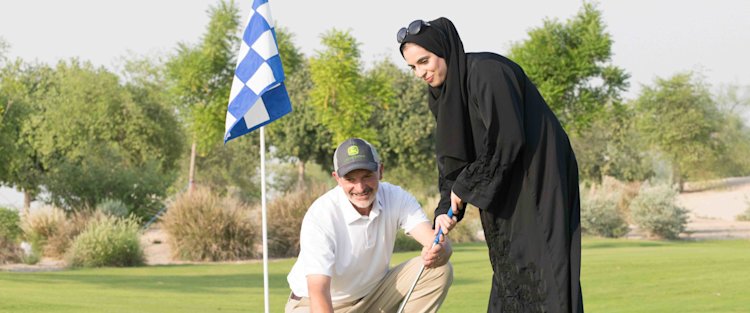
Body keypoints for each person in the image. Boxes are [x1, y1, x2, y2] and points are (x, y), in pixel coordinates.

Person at [397, 17, 584, 312]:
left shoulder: (487, 71)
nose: (421, 72)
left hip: (538, 179)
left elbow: (508, 138)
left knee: (543, 269)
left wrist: (466, 186)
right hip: (501, 183)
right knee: (508, 266)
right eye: (413, 67)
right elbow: (453, 160)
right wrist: (446, 210)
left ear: (443, 50)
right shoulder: (442, 97)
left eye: (425, 61)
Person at [285, 138, 454, 313]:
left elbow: (433, 241)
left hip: (372, 296)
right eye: (350, 179)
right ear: (337, 179)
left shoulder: (395, 196)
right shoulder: (321, 215)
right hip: (313, 304)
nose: (360, 187)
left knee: (438, 270)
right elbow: (318, 290)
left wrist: (441, 250)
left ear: (380, 170)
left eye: (367, 176)